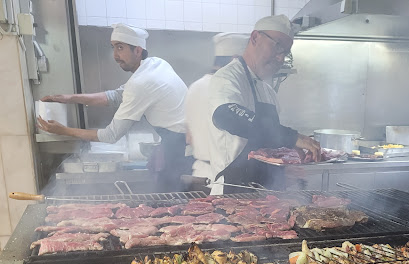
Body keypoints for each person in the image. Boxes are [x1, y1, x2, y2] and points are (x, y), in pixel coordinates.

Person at [37, 23, 190, 191]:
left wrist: (64, 131)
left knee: (173, 199)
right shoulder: (156, 64)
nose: (115, 55)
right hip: (181, 141)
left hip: (180, 148)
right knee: (170, 198)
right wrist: (69, 98)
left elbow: (110, 135)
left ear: (137, 50)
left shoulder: (142, 82)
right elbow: (116, 96)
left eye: (120, 47)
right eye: (113, 47)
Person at [208, 14, 320, 194]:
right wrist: (291, 137)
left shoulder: (267, 91)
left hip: (266, 194)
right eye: (277, 47)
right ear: (255, 37)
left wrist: (288, 159)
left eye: (285, 52)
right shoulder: (228, 78)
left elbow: (269, 141)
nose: (280, 58)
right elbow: (226, 115)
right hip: (232, 191)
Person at [185, 33, 249, 188]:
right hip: (226, 182)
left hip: (199, 176)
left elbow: (189, 137)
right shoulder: (232, 90)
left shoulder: (195, 87)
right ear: (235, 59)